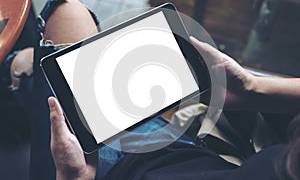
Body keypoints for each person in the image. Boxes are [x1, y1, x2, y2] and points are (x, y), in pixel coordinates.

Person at [48, 36, 300, 180]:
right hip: (190, 155)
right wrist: (252, 89)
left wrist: (74, 178)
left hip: (125, 171)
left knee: (65, 14)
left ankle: (20, 70)